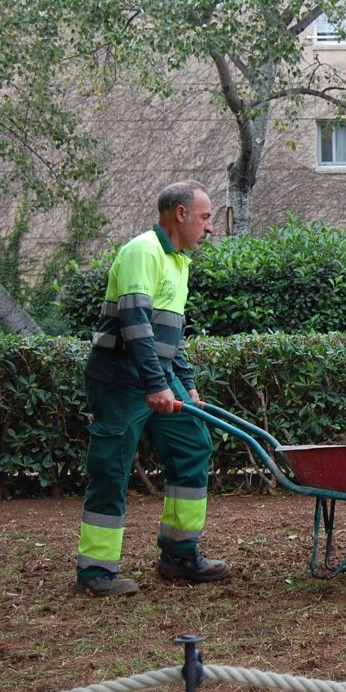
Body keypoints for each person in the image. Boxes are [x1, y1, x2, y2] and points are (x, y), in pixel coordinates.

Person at [73, 181, 231, 597]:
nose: (210, 227)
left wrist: (187, 385)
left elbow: (168, 337)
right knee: (111, 467)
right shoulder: (143, 251)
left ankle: (179, 553)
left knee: (193, 445)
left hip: (155, 377)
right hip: (120, 381)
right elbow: (135, 325)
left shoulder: (178, 261)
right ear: (180, 214)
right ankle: (94, 571)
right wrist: (157, 385)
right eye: (205, 217)